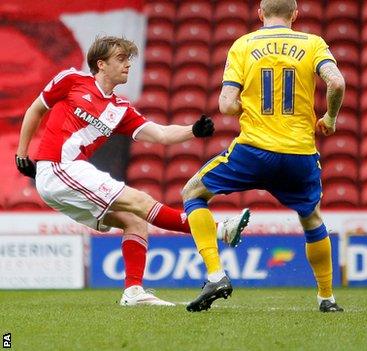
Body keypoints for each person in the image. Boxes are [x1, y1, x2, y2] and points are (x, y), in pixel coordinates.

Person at [14, 36, 250, 306]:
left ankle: (133, 292)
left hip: (68, 177)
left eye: (129, 60)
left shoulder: (120, 109)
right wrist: (22, 153)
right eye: (121, 59)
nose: (128, 65)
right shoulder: (71, 80)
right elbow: (36, 109)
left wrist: (192, 131)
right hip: (59, 168)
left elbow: (160, 134)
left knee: (135, 220)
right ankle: (218, 230)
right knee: (140, 201)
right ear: (100, 64)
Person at [181, 0, 346, 313]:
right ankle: (327, 298)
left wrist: (253, 106)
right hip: (299, 152)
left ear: (260, 14)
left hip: (254, 149)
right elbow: (336, 81)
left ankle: (215, 274)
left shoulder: (243, 45)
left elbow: (227, 105)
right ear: (295, 15)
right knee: (311, 218)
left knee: (192, 192)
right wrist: (330, 119)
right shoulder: (312, 43)